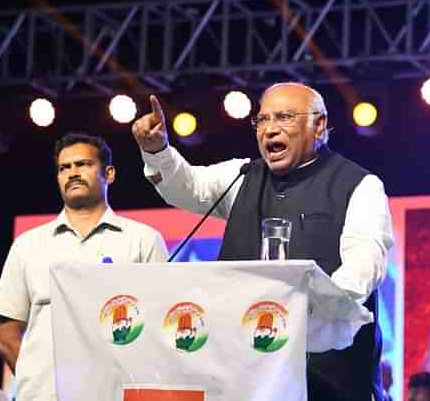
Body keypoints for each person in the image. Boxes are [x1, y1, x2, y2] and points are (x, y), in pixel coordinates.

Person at [132, 83, 394, 401]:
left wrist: (300, 312)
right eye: (262, 120)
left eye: (283, 117)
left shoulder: (359, 185)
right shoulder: (242, 176)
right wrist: (157, 151)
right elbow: (188, 188)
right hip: (246, 375)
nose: (269, 130)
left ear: (320, 124)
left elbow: (363, 267)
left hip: (329, 378)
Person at [0, 132, 169, 400]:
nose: (72, 173)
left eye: (83, 164)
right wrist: (38, 382)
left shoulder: (143, 239)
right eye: (64, 168)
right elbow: (6, 336)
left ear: (109, 174)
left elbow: (161, 326)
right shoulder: (28, 245)